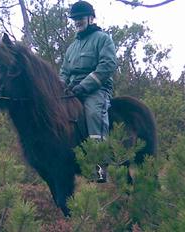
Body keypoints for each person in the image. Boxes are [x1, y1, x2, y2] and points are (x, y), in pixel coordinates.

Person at [60, 1, 118, 182]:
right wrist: (60, 87)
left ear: (90, 18)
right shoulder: (71, 47)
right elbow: (64, 72)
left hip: (96, 89)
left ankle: (101, 173)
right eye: (75, 19)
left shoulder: (103, 38)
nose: (77, 21)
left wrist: (84, 86)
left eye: (81, 18)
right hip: (72, 90)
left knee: (93, 114)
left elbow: (108, 65)